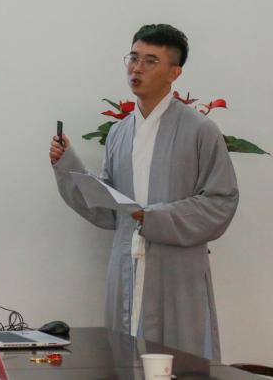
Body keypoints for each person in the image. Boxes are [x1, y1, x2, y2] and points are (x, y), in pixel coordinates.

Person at [49, 24, 238, 360]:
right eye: (133, 58)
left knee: (180, 360)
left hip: (175, 272)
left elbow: (221, 201)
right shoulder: (120, 133)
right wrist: (67, 165)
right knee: (124, 359)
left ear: (174, 73)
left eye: (150, 61)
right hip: (127, 264)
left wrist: (152, 217)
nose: (136, 68)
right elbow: (107, 208)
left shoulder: (201, 130)